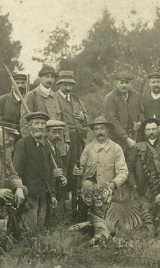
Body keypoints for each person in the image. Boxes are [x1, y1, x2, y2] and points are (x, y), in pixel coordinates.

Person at [73, 116, 128, 221]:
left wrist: (113, 184)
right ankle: (82, 220)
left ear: (107, 130)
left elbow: (123, 172)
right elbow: (81, 167)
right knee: (86, 185)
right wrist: (77, 171)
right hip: (91, 190)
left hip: (108, 189)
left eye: (102, 128)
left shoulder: (116, 148)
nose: (99, 131)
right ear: (93, 131)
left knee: (109, 221)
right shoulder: (88, 148)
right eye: (96, 129)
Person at [14, 112, 57, 234]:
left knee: (41, 230)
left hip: (43, 195)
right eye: (36, 123)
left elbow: (50, 173)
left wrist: (52, 194)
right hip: (29, 197)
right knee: (30, 232)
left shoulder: (46, 146)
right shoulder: (23, 144)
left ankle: (39, 250)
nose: (40, 126)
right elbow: (16, 172)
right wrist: (20, 190)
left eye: (43, 123)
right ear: (29, 126)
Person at [56, 70, 89, 215]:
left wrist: (83, 117)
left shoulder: (76, 100)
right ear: (59, 84)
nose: (68, 88)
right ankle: (61, 208)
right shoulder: (54, 99)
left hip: (79, 142)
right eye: (65, 84)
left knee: (78, 171)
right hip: (63, 141)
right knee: (63, 171)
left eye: (70, 85)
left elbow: (87, 119)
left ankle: (76, 206)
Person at [19, 64, 70, 156]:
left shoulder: (57, 97)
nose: (50, 80)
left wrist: (67, 140)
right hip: (40, 144)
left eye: (52, 77)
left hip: (58, 144)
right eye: (47, 76)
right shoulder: (32, 96)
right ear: (40, 77)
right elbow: (24, 123)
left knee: (59, 170)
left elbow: (63, 120)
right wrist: (30, 144)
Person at [127, 118, 160, 201]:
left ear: (158, 130)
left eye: (154, 129)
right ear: (144, 131)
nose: (151, 132)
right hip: (145, 184)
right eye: (148, 129)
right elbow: (130, 168)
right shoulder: (138, 146)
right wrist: (134, 185)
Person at [103, 72, 144, 152]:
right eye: (121, 82)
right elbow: (113, 121)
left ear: (130, 84)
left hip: (134, 137)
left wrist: (140, 122)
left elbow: (142, 112)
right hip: (116, 139)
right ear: (116, 83)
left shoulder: (136, 95)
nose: (124, 85)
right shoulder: (109, 98)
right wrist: (126, 139)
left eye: (127, 83)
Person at [45, 119, 68, 227]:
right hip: (46, 191)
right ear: (46, 132)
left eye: (60, 133)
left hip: (56, 189)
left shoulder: (56, 149)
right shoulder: (44, 148)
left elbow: (61, 168)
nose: (58, 135)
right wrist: (53, 173)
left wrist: (64, 177)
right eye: (54, 132)